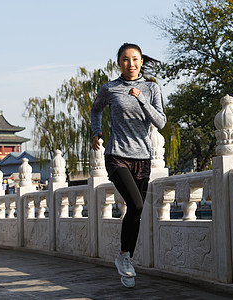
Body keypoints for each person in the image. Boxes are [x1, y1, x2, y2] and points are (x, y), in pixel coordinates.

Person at [90, 42, 166, 288]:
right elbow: (95, 110)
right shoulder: (110, 88)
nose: (130, 64)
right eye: (125, 59)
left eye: (135, 59)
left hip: (143, 158)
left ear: (141, 61)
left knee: (136, 212)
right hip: (117, 155)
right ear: (119, 63)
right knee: (135, 203)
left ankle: (125, 258)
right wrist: (96, 131)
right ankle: (125, 258)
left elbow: (161, 121)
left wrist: (142, 99)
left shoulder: (151, 88)